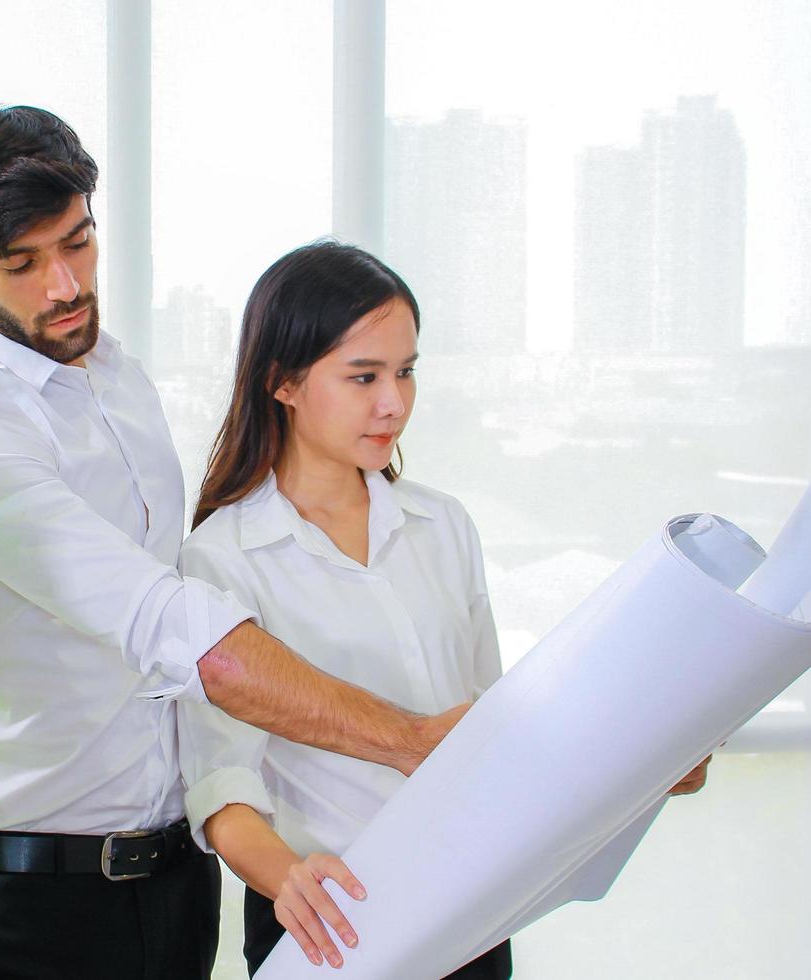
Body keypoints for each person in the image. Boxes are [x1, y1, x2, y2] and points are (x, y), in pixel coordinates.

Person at [0, 105, 467, 980]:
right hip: (35, 902)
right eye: (22, 264)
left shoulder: (117, 377)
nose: (65, 286)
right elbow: (168, 624)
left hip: (173, 884)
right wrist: (410, 739)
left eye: (77, 243)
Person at [176, 240, 713, 977]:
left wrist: (643, 761)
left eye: (404, 372)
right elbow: (219, 784)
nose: (392, 402)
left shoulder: (442, 526)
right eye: (362, 376)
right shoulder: (223, 554)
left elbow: (496, 724)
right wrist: (287, 879)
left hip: (472, 913)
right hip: (331, 923)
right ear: (283, 382)